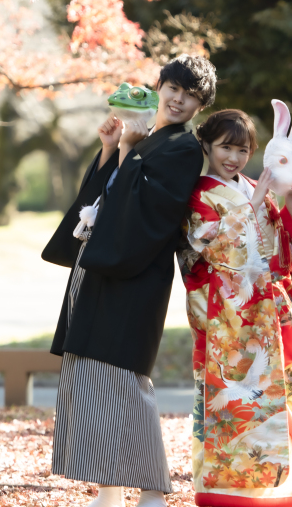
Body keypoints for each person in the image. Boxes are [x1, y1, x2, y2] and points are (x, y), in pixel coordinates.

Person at [41, 54, 217, 507]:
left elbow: (154, 213)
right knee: (89, 376)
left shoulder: (183, 147)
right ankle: (110, 488)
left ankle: (154, 488)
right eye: (173, 89)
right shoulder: (144, 135)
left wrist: (127, 153)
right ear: (159, 86)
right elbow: (96, 202)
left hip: (135, 271)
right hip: (99, 266)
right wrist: (109, 150)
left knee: (124, 381)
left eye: (191, 96)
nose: (178, 100)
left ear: (199, 106)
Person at [178, 109, 292, 507]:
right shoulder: (198, 193)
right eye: (226, 147)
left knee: (280, 395)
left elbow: (276, 254)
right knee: (232, 396)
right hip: (227, 316)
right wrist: (255, 203)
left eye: (242, 149)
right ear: (207, 145)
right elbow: (205, 248)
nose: (234, 157)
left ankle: (285, 489)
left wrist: (290, 211)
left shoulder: (250, 185)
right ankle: (224, 491)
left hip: (265, 312)